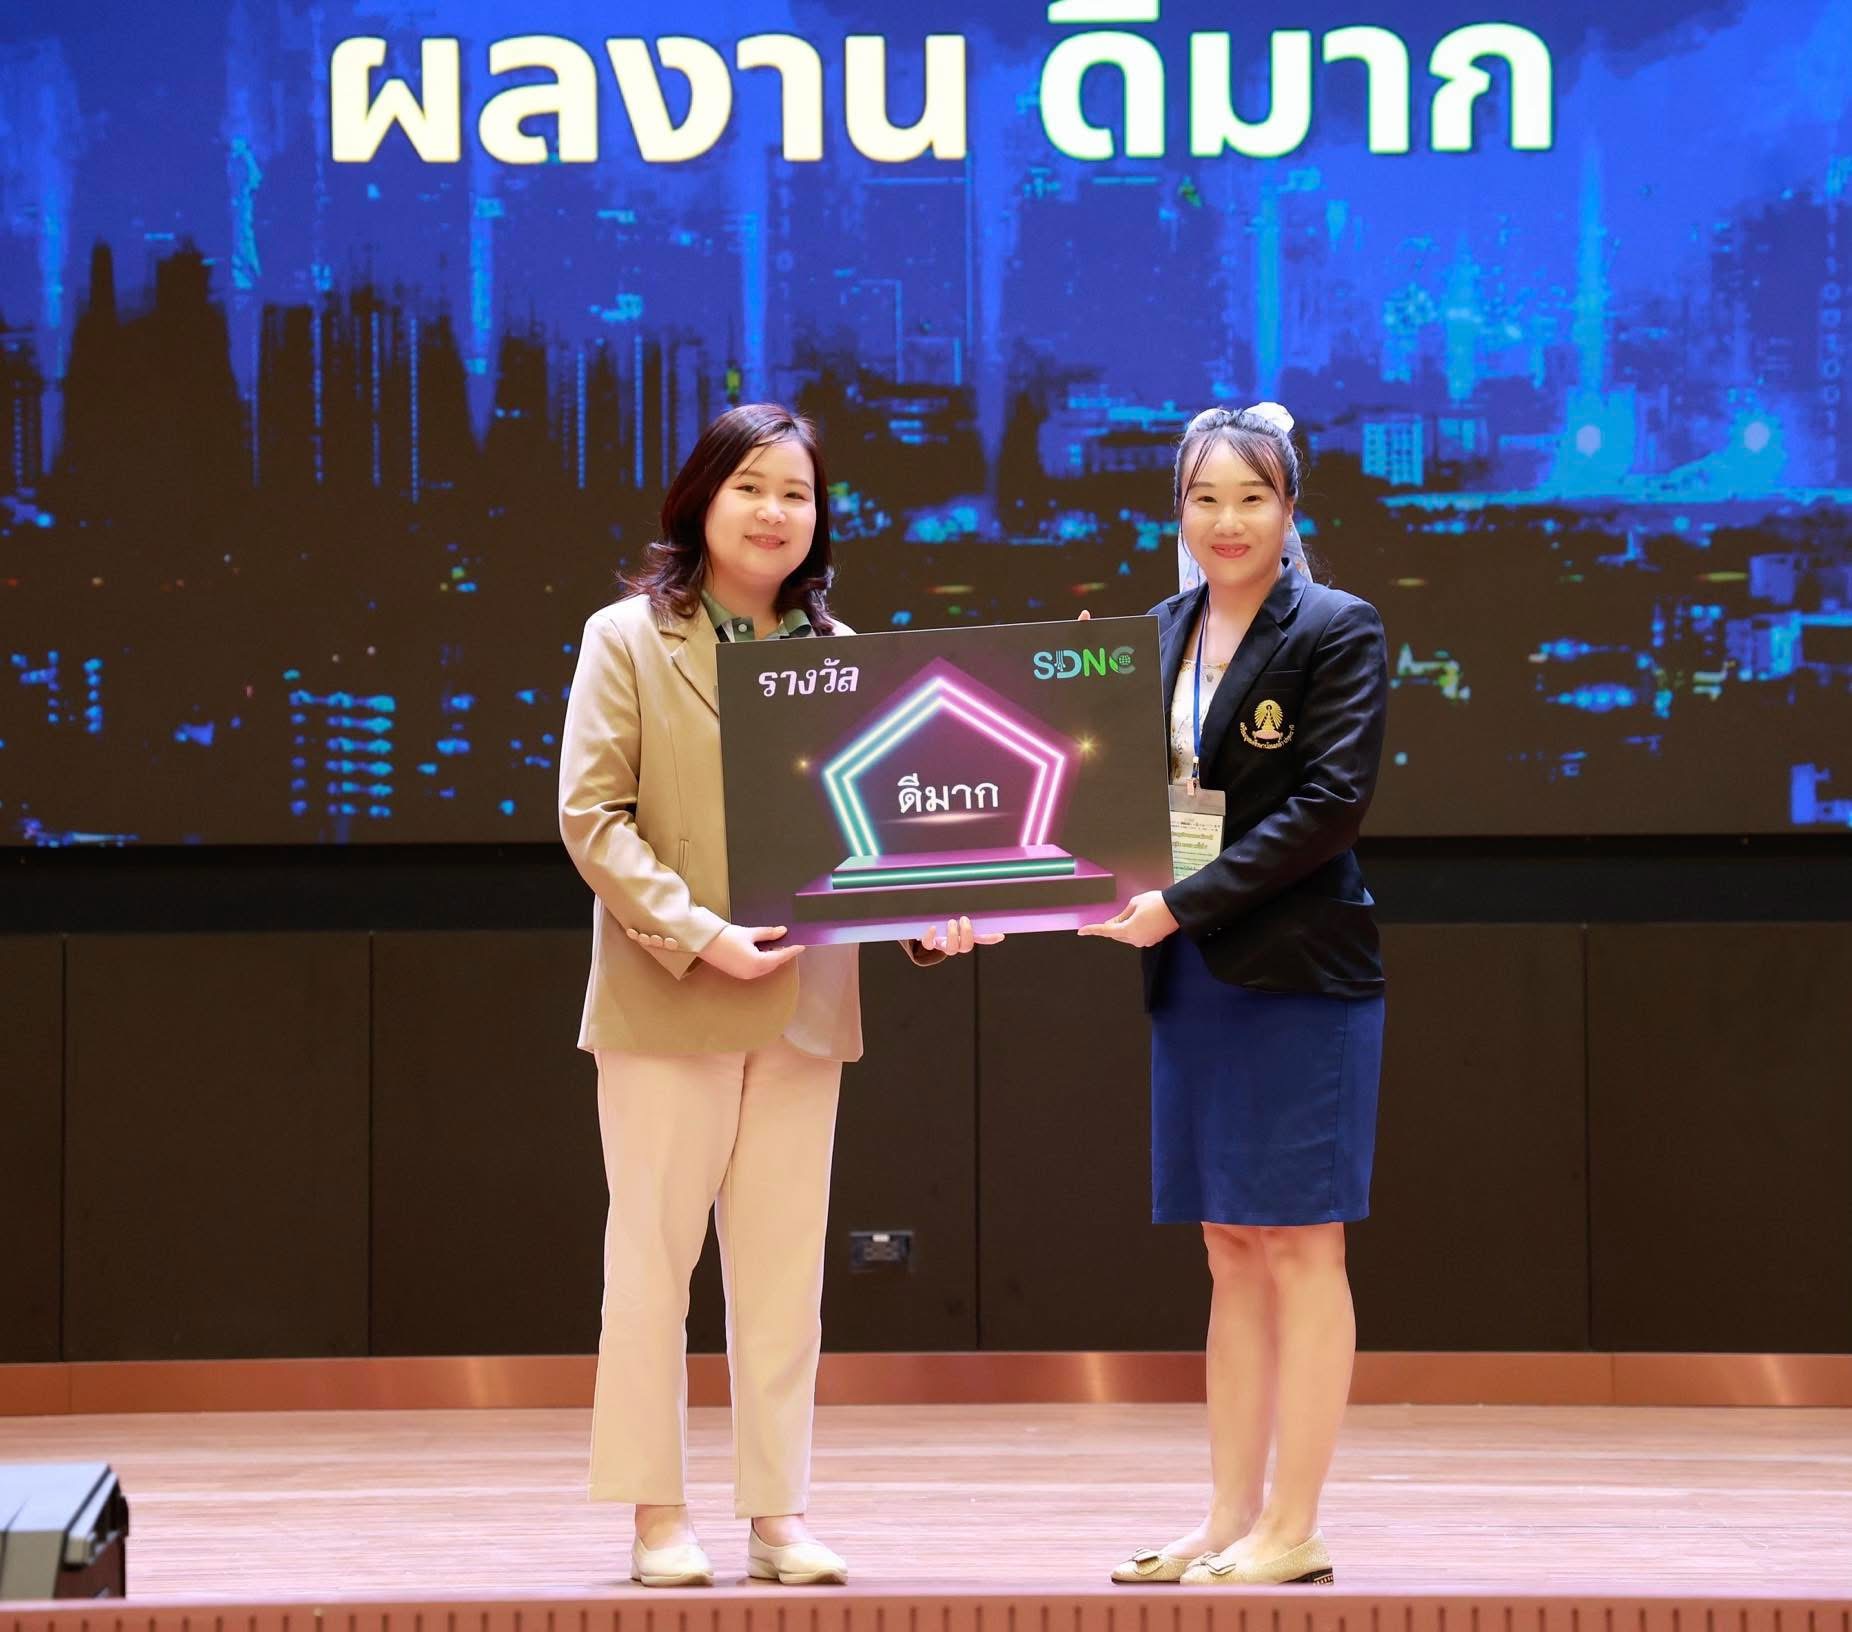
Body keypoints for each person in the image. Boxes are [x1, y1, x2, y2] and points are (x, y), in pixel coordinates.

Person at [558, 403, 997, 1590]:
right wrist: (701, 936)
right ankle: (657, 1515)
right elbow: (592, 819)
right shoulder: (627, 639)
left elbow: (878, 832)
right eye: (750, 486)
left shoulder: (842, 652)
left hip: (805, 1005)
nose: (772, 512)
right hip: (669, 996)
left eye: (795, 493)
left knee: (783, 1281)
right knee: (650, 1270)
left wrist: (931, 918)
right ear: (701, 498)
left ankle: (777, 1516)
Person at [1080, 402, 1388, 1588]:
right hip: (1194, 975)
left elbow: (1328, 809)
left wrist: (1177, 903)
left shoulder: (1336, 627)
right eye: (1204, 499)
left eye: (1252, 498)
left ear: (1289, 508)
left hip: (1301, 974)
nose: (1227, 521)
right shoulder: (1156, 633)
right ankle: (1226, 1519)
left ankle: (1292, 1527)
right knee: (1228, 1246)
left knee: (1300, 1245)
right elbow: (1113, 799)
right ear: (1178, 511)